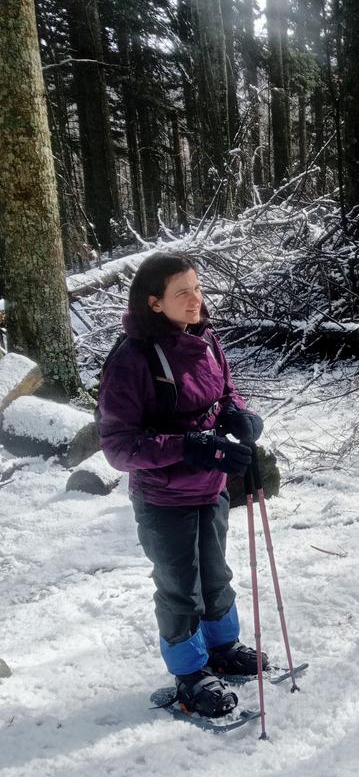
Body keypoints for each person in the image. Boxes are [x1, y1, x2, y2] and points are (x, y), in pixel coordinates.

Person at [98, 253, 268, 718]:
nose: (196, 299)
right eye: (182, 293)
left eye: (197, 287)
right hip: (163, 498)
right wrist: (188, 446)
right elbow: (117, 446)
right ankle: (190, 672)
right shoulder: (132, 360)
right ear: (154, 303)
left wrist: (238, 414)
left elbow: (225, 392)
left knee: (217, 576)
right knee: (179, 588)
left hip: (210, 486)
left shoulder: (206, 339)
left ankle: (223, 648)